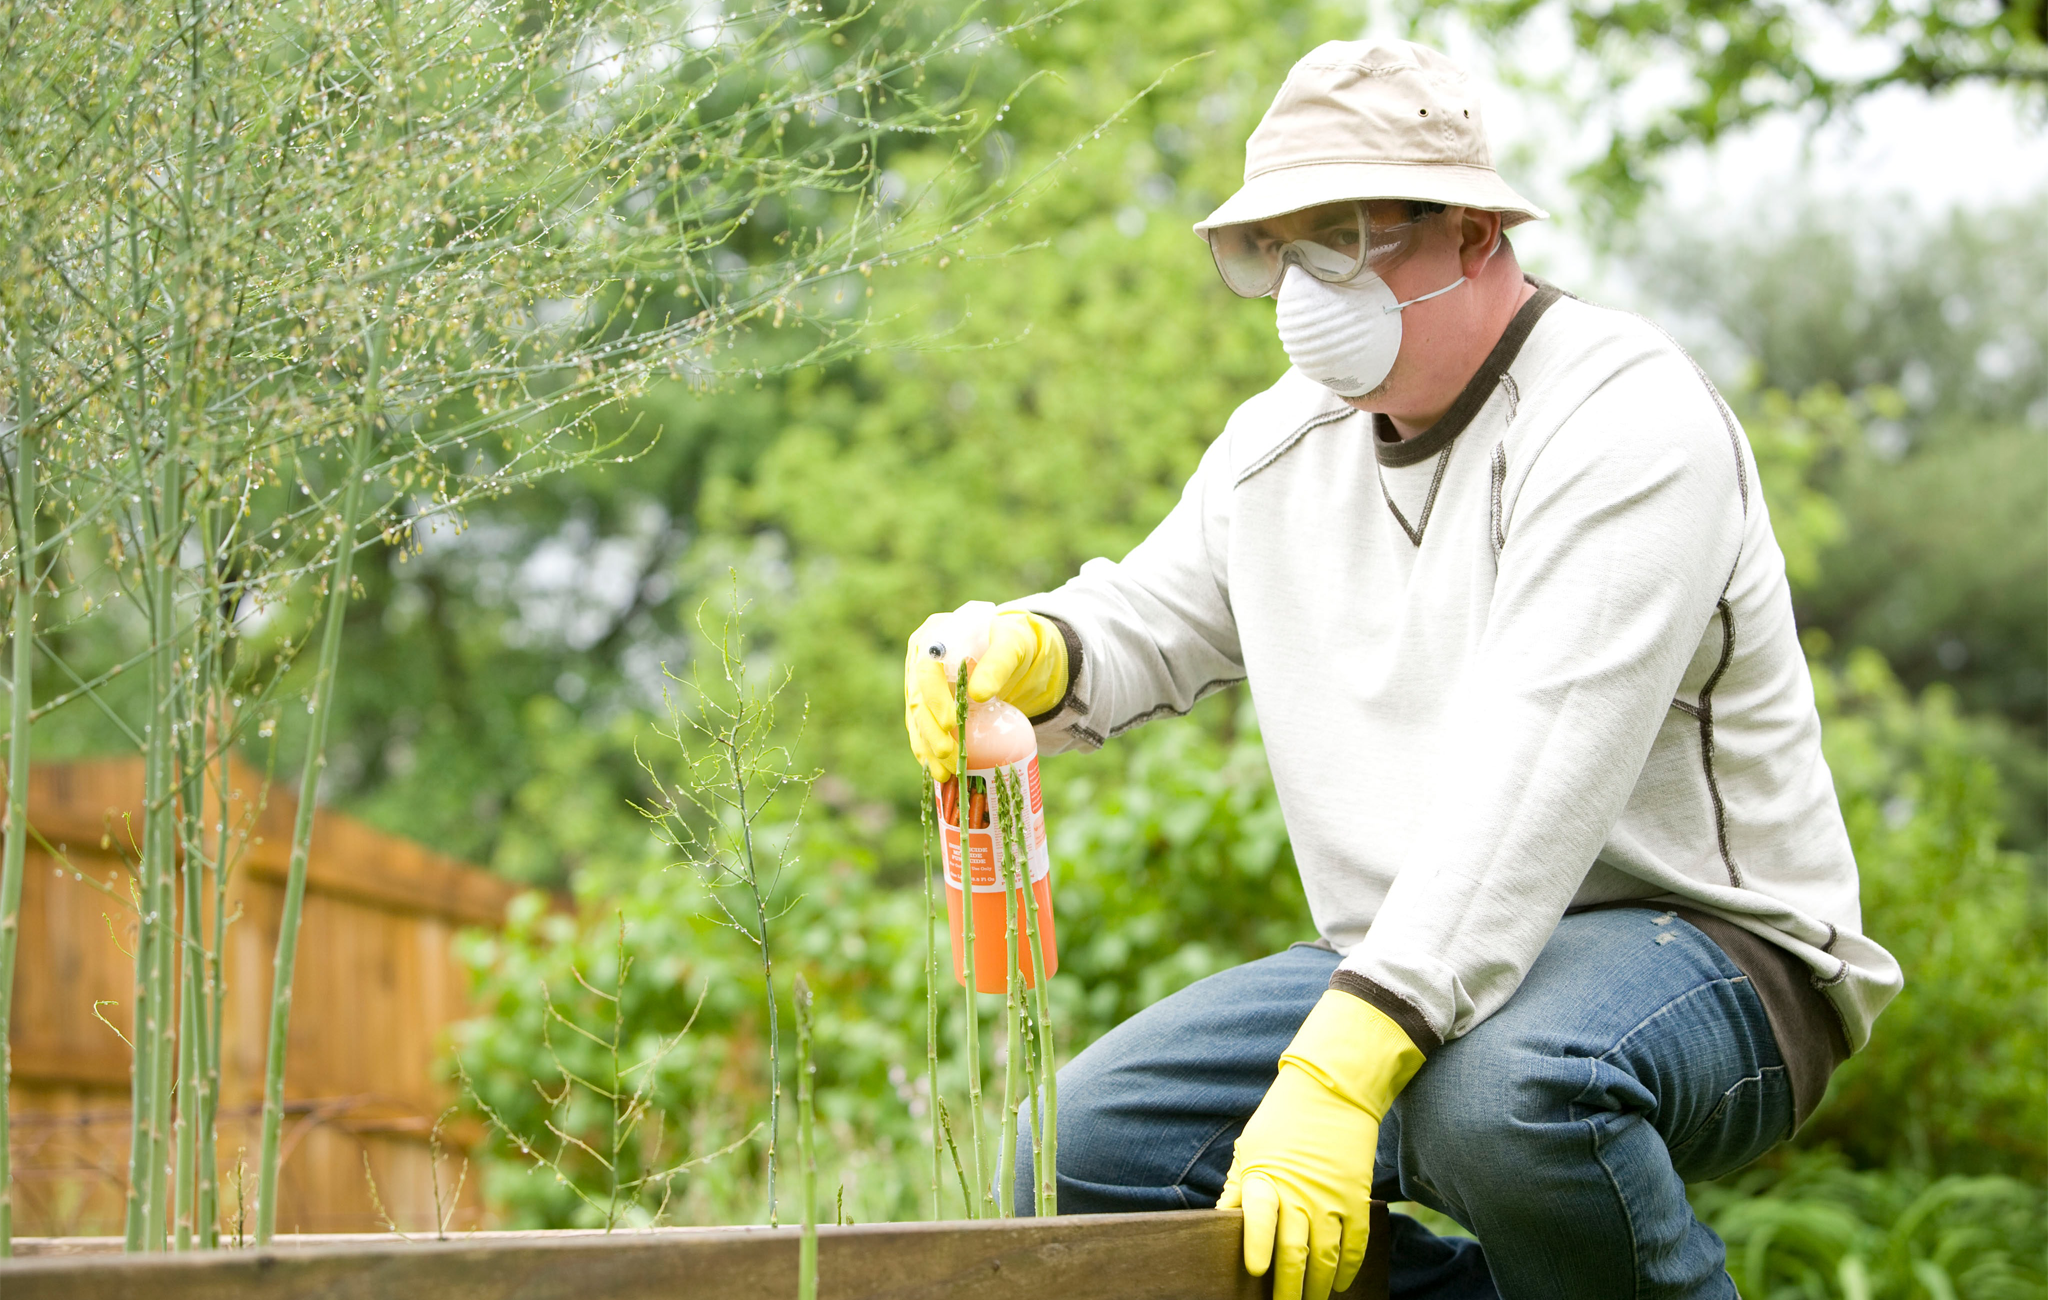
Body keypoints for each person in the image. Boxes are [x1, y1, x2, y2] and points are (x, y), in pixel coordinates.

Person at [901, 38, 1900, 1300]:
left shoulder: (1622, 419)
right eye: (1278, 245)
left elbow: (1536, 775)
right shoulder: (1280, 441)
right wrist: (1028, 648)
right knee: (1082, 1161)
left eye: (1349, 235)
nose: (1305, 284)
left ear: (1475, 231)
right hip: (1409, 953)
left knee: (1500, 1098)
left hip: (1707, 944)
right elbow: (1153, 612)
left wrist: (1335, 1068)